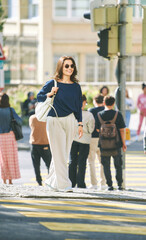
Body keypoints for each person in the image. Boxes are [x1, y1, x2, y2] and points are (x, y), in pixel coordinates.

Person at [37, 56, 83, 192]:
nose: (69, 68)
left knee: (64, 152)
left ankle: (51, 181)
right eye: (66, 66)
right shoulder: (53, 82)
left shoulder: (76, 86)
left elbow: (78, 106)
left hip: (70, 120)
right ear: (61, 67)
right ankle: (64, 184)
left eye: (71, 66)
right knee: (59, 154)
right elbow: (39, 96)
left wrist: (80, 123)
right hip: (54, 120)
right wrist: (50, 93)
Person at [96, 96, 127, 191]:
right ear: (114, 103)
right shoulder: (118, 114)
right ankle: (119, 185)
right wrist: (123, 143)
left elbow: (97, 129)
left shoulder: (99, 115)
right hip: (116, 144)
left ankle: (109, 185)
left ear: (104, 103)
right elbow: (122, 130)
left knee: (106, 165)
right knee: (118, 165)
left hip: (104, 145)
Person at [69, 94, 95, 188]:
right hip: (85, 140)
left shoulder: (71, 113)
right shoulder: (89, 115)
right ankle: (81, 183)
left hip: (73, 139)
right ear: (84, 102)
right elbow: (91, 129)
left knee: (72, 161)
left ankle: (71, 182)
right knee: (82, 162)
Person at [0, 93, 22, 184]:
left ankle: (4, 180)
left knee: (2, 159)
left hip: (0, 137)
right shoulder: (11, 110)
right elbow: (19, 121)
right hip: (10, 136)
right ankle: (10, 180)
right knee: (11, 158)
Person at [88, 94, 106, 190]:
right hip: (104, 139)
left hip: (93, 138)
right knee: (102, 162)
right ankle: (103, 184)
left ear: (95, 101)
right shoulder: (105, 111)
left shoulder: (91, 111)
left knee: (91, 161)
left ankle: (93, 184)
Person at [29, 114, 52, 186]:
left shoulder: (32, 118)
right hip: (44, 143)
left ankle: (39, 181)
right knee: (49, 164)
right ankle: (49, 180)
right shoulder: (47, 118)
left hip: (34, 144)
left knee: (36, 165)